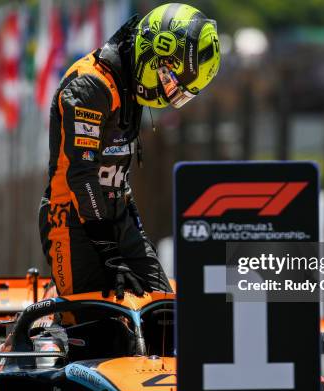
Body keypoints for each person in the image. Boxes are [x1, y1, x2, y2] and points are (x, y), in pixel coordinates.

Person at [38, 3, 221, 299]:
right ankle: (56, 323)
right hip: (72, 223)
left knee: (165, 313)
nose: (171, 94)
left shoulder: (130, 85)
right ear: (157, 53)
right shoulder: (91, 85)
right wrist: (109, 251)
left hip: (116, 220)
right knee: (101, 328)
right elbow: (81, 174)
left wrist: (132, 227)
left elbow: (117, 176)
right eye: (173, 82)